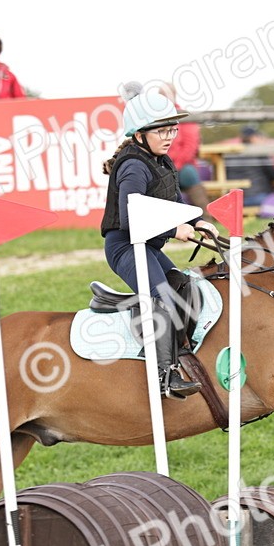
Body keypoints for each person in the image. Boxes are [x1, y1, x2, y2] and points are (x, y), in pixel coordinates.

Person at [100, 83, 217, 399]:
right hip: (125, 245)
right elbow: (130, 219)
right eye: (161, 131)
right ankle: (165, 376)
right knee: (162, 297)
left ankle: (180, 350)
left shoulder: (163, 160)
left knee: (182, 284)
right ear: (139, 134)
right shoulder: (133, 166)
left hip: (147, 244)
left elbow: (174, 201)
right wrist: (172, 231)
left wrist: (197, 221)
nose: (169, 137)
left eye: (172, 129)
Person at [157, 82, 208, 208]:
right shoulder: (154, 117)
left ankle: (204, 214)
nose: (163, 98)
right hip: (160, 165)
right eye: (160, 95)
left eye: (165, 94)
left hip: (180, 166)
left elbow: (190, 147)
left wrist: (173, 167)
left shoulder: (184, 117)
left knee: (188, 173)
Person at [225, 125, 274, 209]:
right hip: (260, 197)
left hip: (236, 200)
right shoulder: (259, 152)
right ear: (253, 137)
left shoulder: (230, 154)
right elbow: (273, 175)